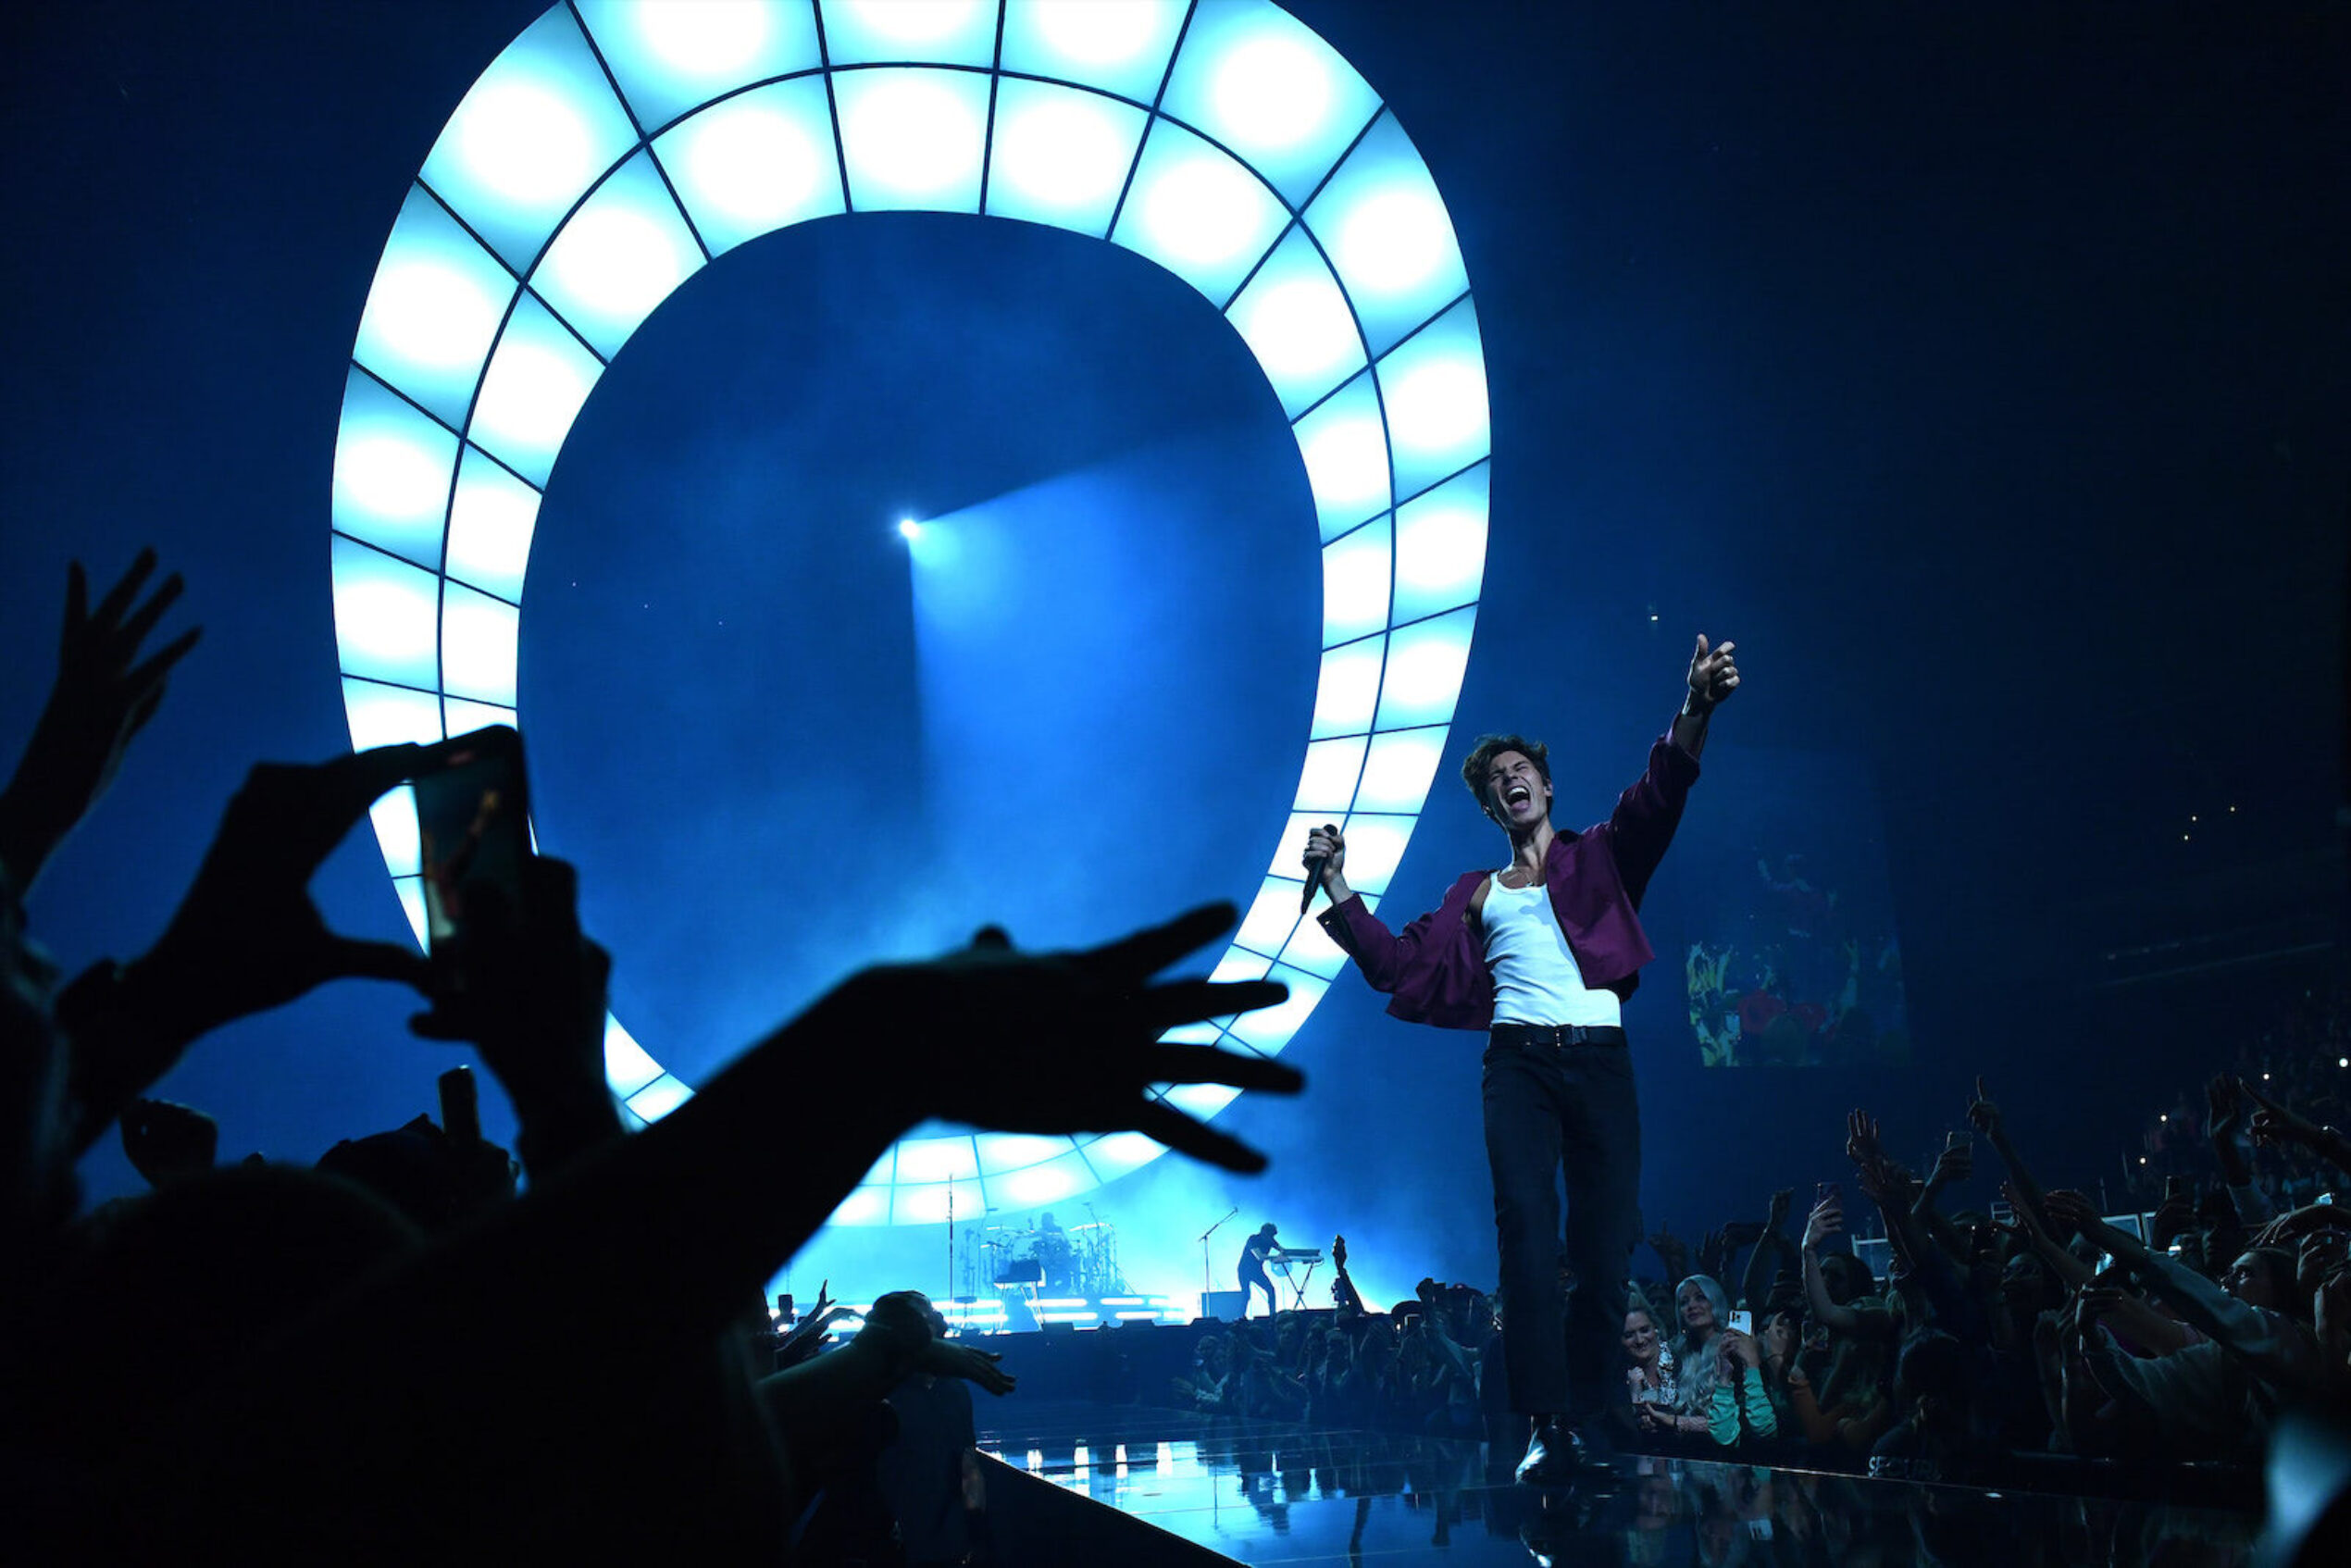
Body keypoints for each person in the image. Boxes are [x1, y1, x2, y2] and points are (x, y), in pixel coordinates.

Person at [1305, 635, 1740, 1482]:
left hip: (1601, 1062)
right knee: (1529, 1239)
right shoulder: (1474, 892)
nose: (1511, 778)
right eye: (1496, 776)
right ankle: (1548, 1423)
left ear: (1546, 786)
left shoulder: (1600, 858)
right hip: (1520, 1068)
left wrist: (1697, 705)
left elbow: (1660, 795)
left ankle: (1598, 1410)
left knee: (1606, 1241)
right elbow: (1396, 964)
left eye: (1521, 768)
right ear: (1493, 806)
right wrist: (1336, 884)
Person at [1239, 1222, 1280, 1318]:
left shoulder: (1271, 1241)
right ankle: (1241, 1317)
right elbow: (1259, 1256)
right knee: (1246, 1295)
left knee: (1270, 1290)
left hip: (1257, 1271)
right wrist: (1275, 1257)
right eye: (1270, 1236)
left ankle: (1273, 1315)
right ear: (1263, 1233)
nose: (1271, 1239)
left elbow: (1282, 1250)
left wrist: (1290, 1255)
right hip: (1245, 1270)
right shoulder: (1253, 1239)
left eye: (1272, 1237)